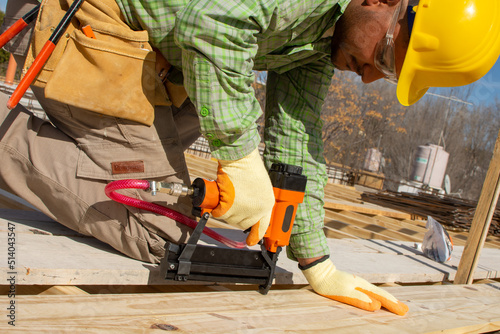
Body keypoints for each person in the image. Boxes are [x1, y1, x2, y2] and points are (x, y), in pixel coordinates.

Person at [0, 0, 497, 316]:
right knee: (163, 227)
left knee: (211, 129)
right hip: (84, 21)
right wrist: (239, 155)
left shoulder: (324, 39)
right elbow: (209, 24)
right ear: (383, 1)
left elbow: (297, 139)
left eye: (387, 76)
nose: (370, 77)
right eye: (387, 58)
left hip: (151, 52)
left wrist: (317, 261)